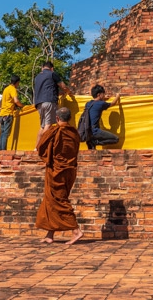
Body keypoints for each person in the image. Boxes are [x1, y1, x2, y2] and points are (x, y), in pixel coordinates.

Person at [35, 106, 84, 245]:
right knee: (51, 200)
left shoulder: (53, 131)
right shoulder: (74, 133)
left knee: (59, 200)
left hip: (56, 171)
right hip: (70, 170)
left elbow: (41, 148)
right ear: (70, 118)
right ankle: (50, 234)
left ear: (57, 118)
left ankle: (76, 230)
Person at [33, 60, 73, 147]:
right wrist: (69, 93)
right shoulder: (52, 74)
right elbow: (63, 86)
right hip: (49, 102)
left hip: (39, 103)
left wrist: (59, 93)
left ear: (42, 68)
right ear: (52, 68)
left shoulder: (37, 77)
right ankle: (43, 147)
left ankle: (36, 148)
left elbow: (46, 89)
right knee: (48, 125)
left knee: (42, 126)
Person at [82, 84, 121, 150]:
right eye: (103, 94)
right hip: (95, 131)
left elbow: (96, 104)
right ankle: (95, 142)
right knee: (116, 139)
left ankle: (91, 141)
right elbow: (113, 103)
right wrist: (117, 96)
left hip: (87, 131)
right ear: (99, 95)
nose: (104, 95)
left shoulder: (88, 103)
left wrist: (104, 98)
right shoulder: (101, 104)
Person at [0, 75, 22, 151]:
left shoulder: (6, 89)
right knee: (6, 133)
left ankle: (0, 150)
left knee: (2, 133)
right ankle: (3, 151)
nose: (18, 85)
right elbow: (16, 101)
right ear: (17, 82)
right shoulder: (13, 89)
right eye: (18, 83)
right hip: (8, 113)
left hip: (2, 114)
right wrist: (22, 106)